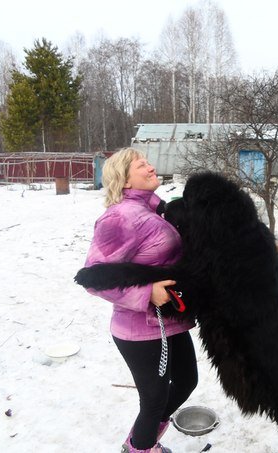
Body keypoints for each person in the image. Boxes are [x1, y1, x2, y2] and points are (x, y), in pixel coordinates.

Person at [82, 147, 198, 453]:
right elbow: (95, 280)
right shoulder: (119, 217)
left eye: (147, 161)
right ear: (124, 179)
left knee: (186, 382)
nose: (150, 166)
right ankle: (140, 448)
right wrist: (147, 293)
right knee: (154, 398)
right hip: (139, 328)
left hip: (170, 320)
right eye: (141, 164)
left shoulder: (152, 210)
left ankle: (140, 438)